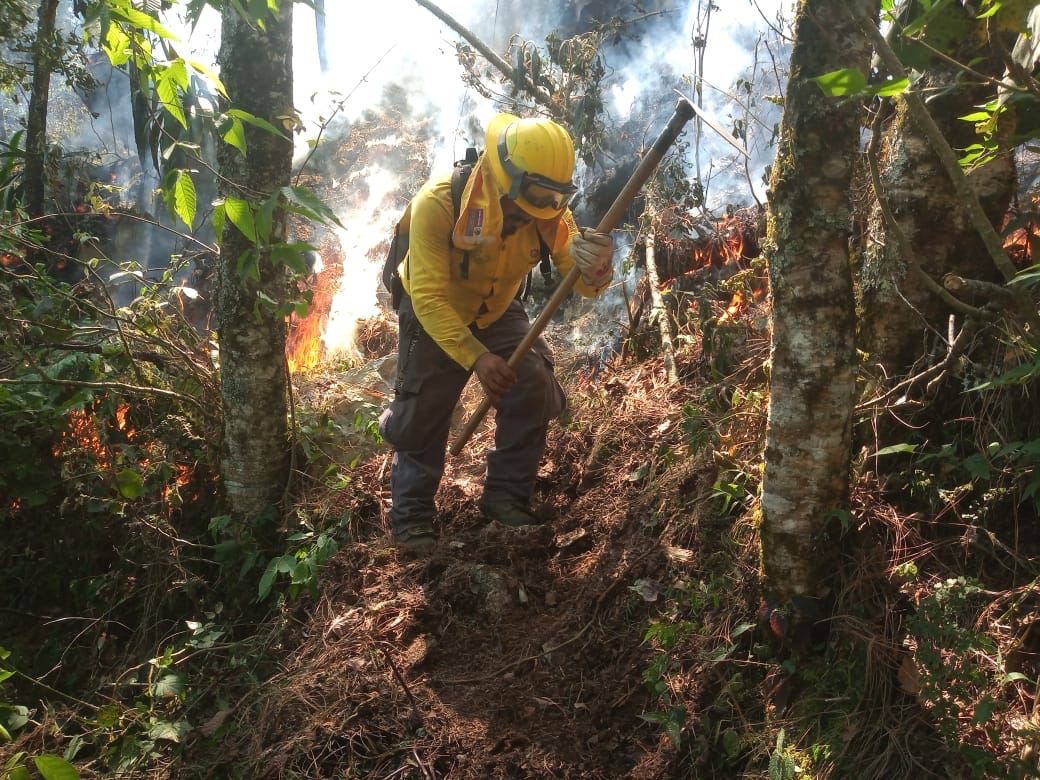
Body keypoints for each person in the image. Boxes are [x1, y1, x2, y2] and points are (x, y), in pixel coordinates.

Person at [378, 113, 614, 552]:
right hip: (437, 310)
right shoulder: (440, 203)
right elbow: (428, 298)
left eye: (540, 209)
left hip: (498, 310)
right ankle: (411, 519)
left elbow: (583, 283)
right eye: (520, 207)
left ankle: (506, 497)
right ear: (503, 178)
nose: (526, 218)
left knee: (534, 384)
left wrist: (597, 265)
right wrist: (477, 358)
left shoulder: (547, 215)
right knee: (422, 411)